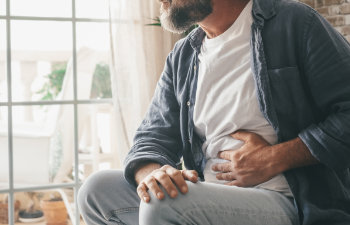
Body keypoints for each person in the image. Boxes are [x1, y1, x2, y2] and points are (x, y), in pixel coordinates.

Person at [78, 0, 350, 224]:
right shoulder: (183, 57)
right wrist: (153, 174)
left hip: (289, 202)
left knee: (164, 206)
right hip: (207, 196)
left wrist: (275, 158)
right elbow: (151, 136)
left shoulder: (295, 23)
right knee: (96, 191)